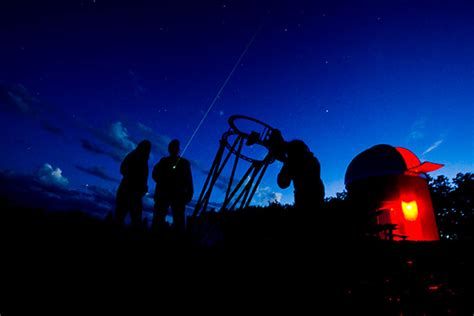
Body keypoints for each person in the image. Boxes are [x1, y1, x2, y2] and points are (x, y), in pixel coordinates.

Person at [152, 139, 193, 233]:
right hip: (174, 195)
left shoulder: (165, 162)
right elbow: (189, 180)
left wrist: (161, 183)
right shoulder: (183, 163)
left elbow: (154, 174)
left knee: (164, 219)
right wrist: (189, 194)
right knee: (175, 220)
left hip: (170, 195)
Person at [277, 140, 325, 211]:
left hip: (310, 201)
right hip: (306, 200)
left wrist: (286, 162)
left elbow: (283, 183)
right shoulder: (309, 160)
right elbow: (283, 183)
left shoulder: (310, 161)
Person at [115, 140, 151, 229]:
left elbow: (143, 177)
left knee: (131, 218)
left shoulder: (141, 158)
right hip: (129, 191)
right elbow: (123, 169)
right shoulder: (135, 156)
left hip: (132, 192)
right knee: (126, 217)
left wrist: (143, 186)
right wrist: (137, 182)